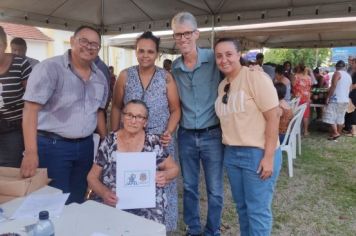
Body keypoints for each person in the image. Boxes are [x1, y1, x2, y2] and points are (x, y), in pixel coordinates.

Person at [20, 25, 109, 204]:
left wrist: (106, 142)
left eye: (94, 44)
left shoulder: (100, 77)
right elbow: (30, 110)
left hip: (85, 147)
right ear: (72, 41)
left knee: (78, 198)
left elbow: (98, 112)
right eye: (83, 41)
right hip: (53, 147)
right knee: (53, 201)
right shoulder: (50, 69)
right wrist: (31, 152)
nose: (89, 47)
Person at [110, 31, 181, 231]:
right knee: (130, 183)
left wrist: (169, 131)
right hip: (129, 140)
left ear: (157, 54)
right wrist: (114, 136)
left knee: (161, 183)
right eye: (141, 51)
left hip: (160, 142)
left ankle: (161, 228)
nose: (145, 55)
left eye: (150, 51)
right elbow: (116, 106)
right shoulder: (125, 75)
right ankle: (130, 227)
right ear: (136, 51)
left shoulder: (166, 77)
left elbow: (176, 110)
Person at [214, 38, 282, 236]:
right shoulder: (222, 86)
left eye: (229, 54)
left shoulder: (255, 77)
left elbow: (273, 118)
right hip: (232, 153)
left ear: (238, 55)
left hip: (257, 153)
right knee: (242, 209)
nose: (224, 59)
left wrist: (268, 157)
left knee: (257, 211)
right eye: (219, 56)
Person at [171, 12, 224, 236]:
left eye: (186, 33)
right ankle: (193, 229)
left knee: (215, 189)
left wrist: (254, 69)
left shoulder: (214, 58)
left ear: (196, 34)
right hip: (185, 135)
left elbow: (236, 73)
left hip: (212, 134)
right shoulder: (175, 67)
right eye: (177, 35)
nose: (182, 39)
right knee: (190, 187)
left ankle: (212, 230)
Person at [87, 100, 179, 226]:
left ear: (145, 122)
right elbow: (91, 177)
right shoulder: (109, 142)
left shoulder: (153, 142)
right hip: (114, 200)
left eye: (139, 117)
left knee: (149, 225)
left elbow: (174, 169)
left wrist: (165, 175)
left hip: (146, 203)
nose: (133, 120)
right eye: (129, 115)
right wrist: (104, 193)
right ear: (122, 118)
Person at [0, 26, 32, 167]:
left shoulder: (20, 64)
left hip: (14, 130)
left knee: (10, 171)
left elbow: (34, 99)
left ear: (5, 45)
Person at [323, 60, 352, 140]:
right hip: (345, 99)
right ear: (344, 67)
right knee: (340, 117)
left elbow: (333, 86)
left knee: (330, 116)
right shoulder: (348, 76)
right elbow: (349, 89)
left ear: (336, 67)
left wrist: (328, 97)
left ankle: (335, 133)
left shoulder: (337, 73)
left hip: (336, 99)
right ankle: (337, 133)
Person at [292, 63, 312, 136]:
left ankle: (296, 131)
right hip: (306, 98)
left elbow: (293, 85)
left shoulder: (296, 76)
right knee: (306, 115)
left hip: (297, 98)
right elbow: (310, 88)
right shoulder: (308, 77)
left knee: (296, 114)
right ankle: (306, 131)